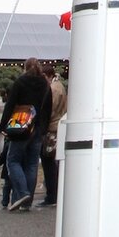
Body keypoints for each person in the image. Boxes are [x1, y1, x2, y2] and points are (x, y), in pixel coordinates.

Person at [0, 59, 51, 212]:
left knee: (13, 161)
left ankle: (22, 192)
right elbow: (48, 108)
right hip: (38, 126)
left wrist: (3, 126)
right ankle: (27, 201)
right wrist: (43, 128)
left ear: (25, 67)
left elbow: (10, 104)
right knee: (32, 164)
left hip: (21, 126)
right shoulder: (45, 85)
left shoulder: (20, 82)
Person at [39, 65, 67, 207]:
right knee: (52, 162)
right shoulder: (59, 86)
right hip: (57, 126)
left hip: (53, 127)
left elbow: (51, 109)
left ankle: (52, 195)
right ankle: (53, 193)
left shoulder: (53, 89)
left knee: (49, 161)